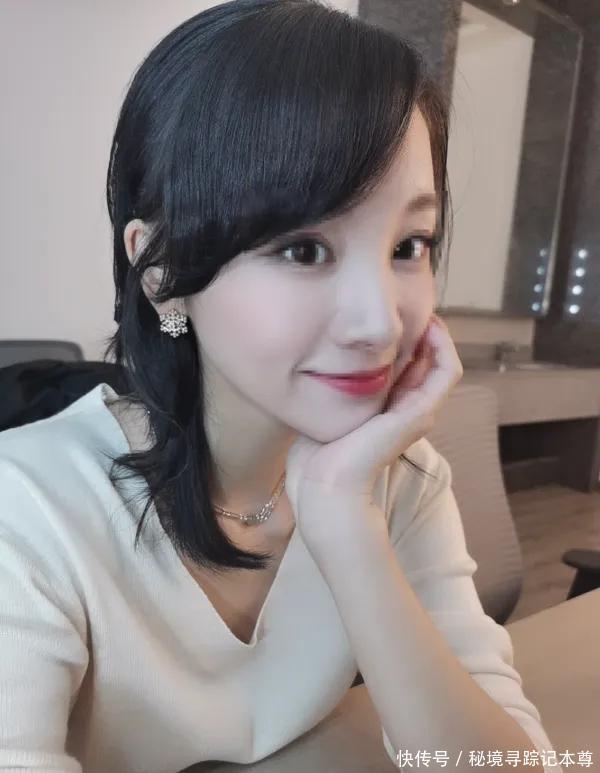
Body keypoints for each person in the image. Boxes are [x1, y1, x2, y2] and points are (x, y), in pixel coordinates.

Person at [0, 1, 563, 772]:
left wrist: (342, 519)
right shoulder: (28, 510)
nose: (380, 322)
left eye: (409, 244)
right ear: (161, 269)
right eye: (304, 249)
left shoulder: (392, 483)